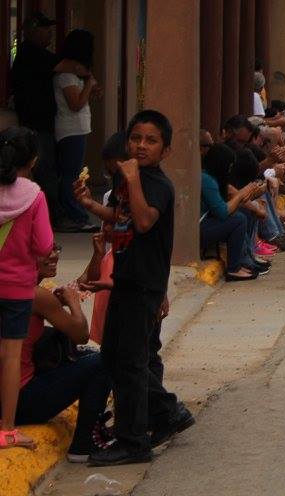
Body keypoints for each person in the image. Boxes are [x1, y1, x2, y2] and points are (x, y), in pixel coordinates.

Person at [91, 109, 175, 467]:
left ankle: (134, 440)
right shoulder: (131, 180)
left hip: (144, 284)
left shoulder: (155, 183)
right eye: (136, 138)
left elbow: (142, 222)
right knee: (116, 356)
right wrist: (88, 204)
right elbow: (122, 218)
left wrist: (134, 180)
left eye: (151, 140)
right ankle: (168, 414)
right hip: (126, 278)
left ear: (164, 150)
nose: (141, 146)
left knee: (130, 362)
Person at [16, 241, 111, 462]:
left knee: (80, 354)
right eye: (44, 251)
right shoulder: (37, 296)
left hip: (11, 397)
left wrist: (96, 256)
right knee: (102, 362)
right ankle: (83, 444)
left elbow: (79, 284)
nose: (54, 255)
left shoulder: (17, 289)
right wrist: (74, 304)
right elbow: (80, 334)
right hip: (20, 402)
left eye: (56, 248)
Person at [0, 127, 55, 450]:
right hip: (18, 290)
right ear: (32, 161)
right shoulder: (34, 195)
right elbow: (44, 244)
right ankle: (7, 430)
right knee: (10, 357)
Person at [7, 13, 60, 211]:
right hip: (36, 123)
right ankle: (51, 214)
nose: (50, 34)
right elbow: (64, 65)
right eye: (46, 30)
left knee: (45, 170)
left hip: (41, 122)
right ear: (33, 30)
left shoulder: (35, 54)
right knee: (44, 171)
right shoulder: (30, 53)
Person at [52, 30, 100, 233]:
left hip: (78, 129)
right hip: (70, 130)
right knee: (71, 174)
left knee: (74, 172)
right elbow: (75, 104)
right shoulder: (66, 76)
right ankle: (75, 215)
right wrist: (89, 85)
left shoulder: (74, 75)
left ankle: (76, 213)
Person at [200, 144, 263, 281]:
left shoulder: (211, 179)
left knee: (243, 213)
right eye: (229, 166)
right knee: (238, 219)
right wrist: (240, 195)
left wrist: (243, 196)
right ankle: (234, 268)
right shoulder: (206, 180)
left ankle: (247, 259)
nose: (230, 170)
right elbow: (223, 212)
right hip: (197, 231)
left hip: (204, 226)